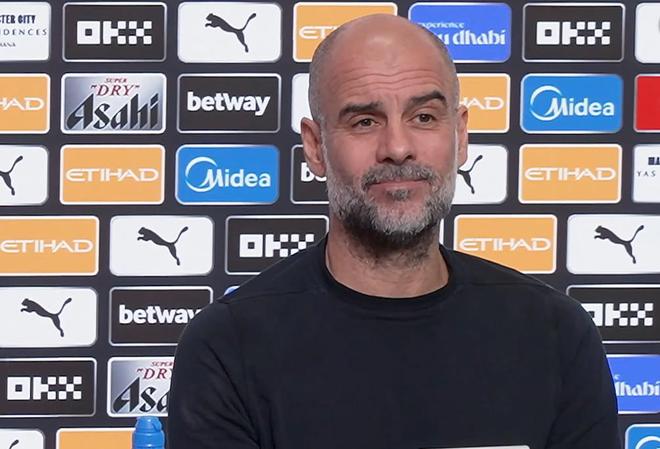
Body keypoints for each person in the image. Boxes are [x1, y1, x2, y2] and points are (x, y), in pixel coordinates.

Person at [167, 14, 621, 449]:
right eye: (365, 121)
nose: (398, 148)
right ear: (315, 146)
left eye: (424, 117)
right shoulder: (227, 348)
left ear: (460, 135)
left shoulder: (556, 336)